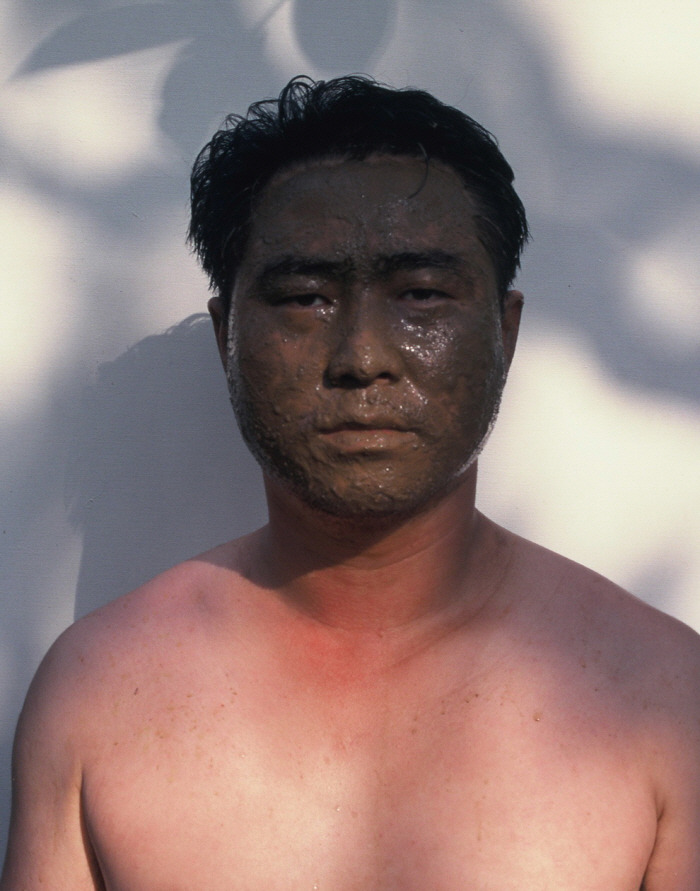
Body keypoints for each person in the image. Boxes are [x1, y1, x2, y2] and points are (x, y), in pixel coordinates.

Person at [2, 75, 698, 890]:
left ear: (504, 333)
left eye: (421, 294)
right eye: (305, 297)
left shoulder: (664, 697)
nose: (362, 356)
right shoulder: (99, 694)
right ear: (228, 337)